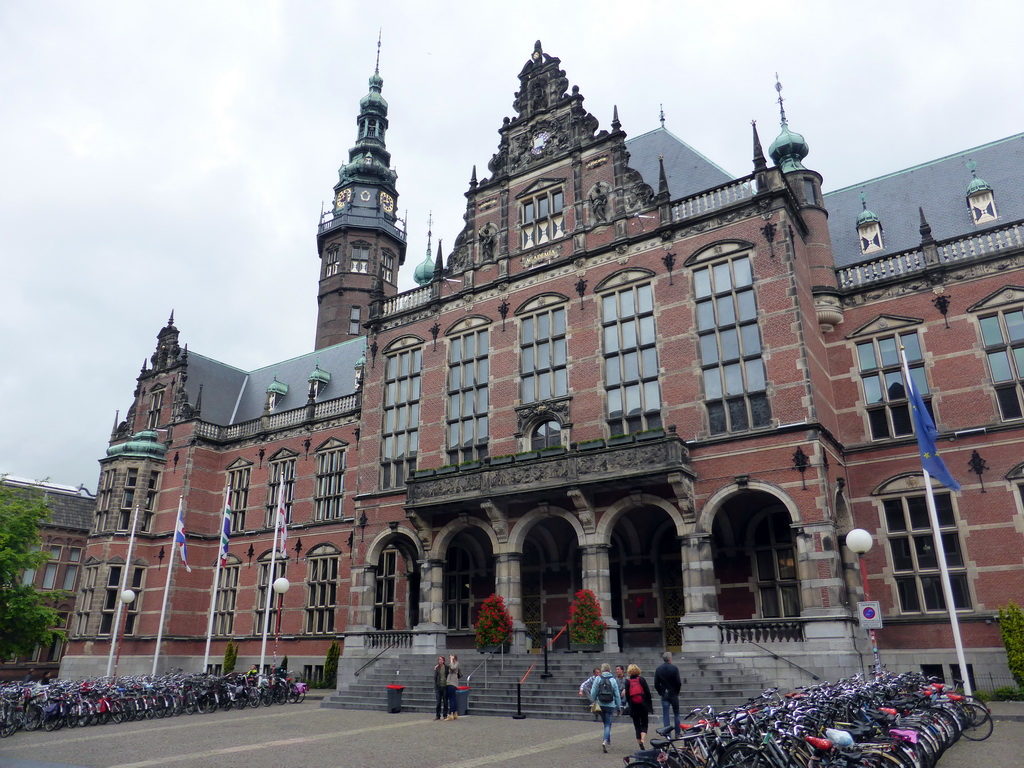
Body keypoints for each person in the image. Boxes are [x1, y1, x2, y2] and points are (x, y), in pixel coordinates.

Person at [589, 662, 621, 753]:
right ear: (609, 669)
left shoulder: (598, 679)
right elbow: (617, 695)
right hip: (610, 704)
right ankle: (605, 740)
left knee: (605, 723)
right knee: (608, 724)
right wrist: (618, 707)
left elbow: (593, 692)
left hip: (601, 703)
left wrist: (595, 700)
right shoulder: (613, 680)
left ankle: (608, 741)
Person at [625, 663, 655, 750]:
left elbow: (627, 695)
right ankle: (642, 739)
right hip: (643, 704)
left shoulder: (627, 681)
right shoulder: (641, 679)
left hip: (634, 705)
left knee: (637, 725)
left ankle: (639, 743)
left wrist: (630, 704)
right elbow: (647, 692)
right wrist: (649, 703)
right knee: (644, 723)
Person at [654, 651, 682, 737]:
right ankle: (677, 732)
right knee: (676, 713)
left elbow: (656, 683)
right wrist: (676, 691)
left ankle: (667, 733)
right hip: (673, 693)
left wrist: (661, 692)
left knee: (665, 714)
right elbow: (678, 682)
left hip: (664, 693)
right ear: (670, 659)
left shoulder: (658, 669)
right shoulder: (674, 668)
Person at [444, 654, 461, 720]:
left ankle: (450, 714)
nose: (449, 659)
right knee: (453, 698)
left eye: (451, 657)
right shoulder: (453, 664)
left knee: (451, 699)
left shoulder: (456, 663)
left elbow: (453, 668)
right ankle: (455, 713)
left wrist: (451, 660)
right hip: (451, 682)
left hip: (452, 682)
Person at [433, 655, 449, 720]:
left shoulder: (446, 668)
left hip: (445, 686)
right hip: (438, 687)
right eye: (439, 660)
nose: (440, 661)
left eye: (441, 660)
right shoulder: (437, 668)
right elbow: (435, 677)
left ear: (444, 661)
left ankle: (445, 715)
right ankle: (438, 715)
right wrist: (436, 684)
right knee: (438, 702)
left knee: (445, 702)